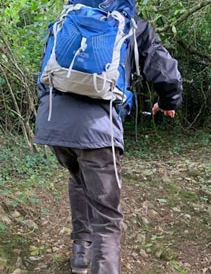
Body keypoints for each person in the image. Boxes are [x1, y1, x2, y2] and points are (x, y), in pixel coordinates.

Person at [34, 14, 183, 273]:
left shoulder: (68, 20)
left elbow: (44, 73)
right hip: (98, 128)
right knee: (107, 217)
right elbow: (165, 71)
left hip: (54, 123)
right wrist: (169, 102)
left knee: (79, 179)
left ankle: (81, 252)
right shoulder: (131, 25)